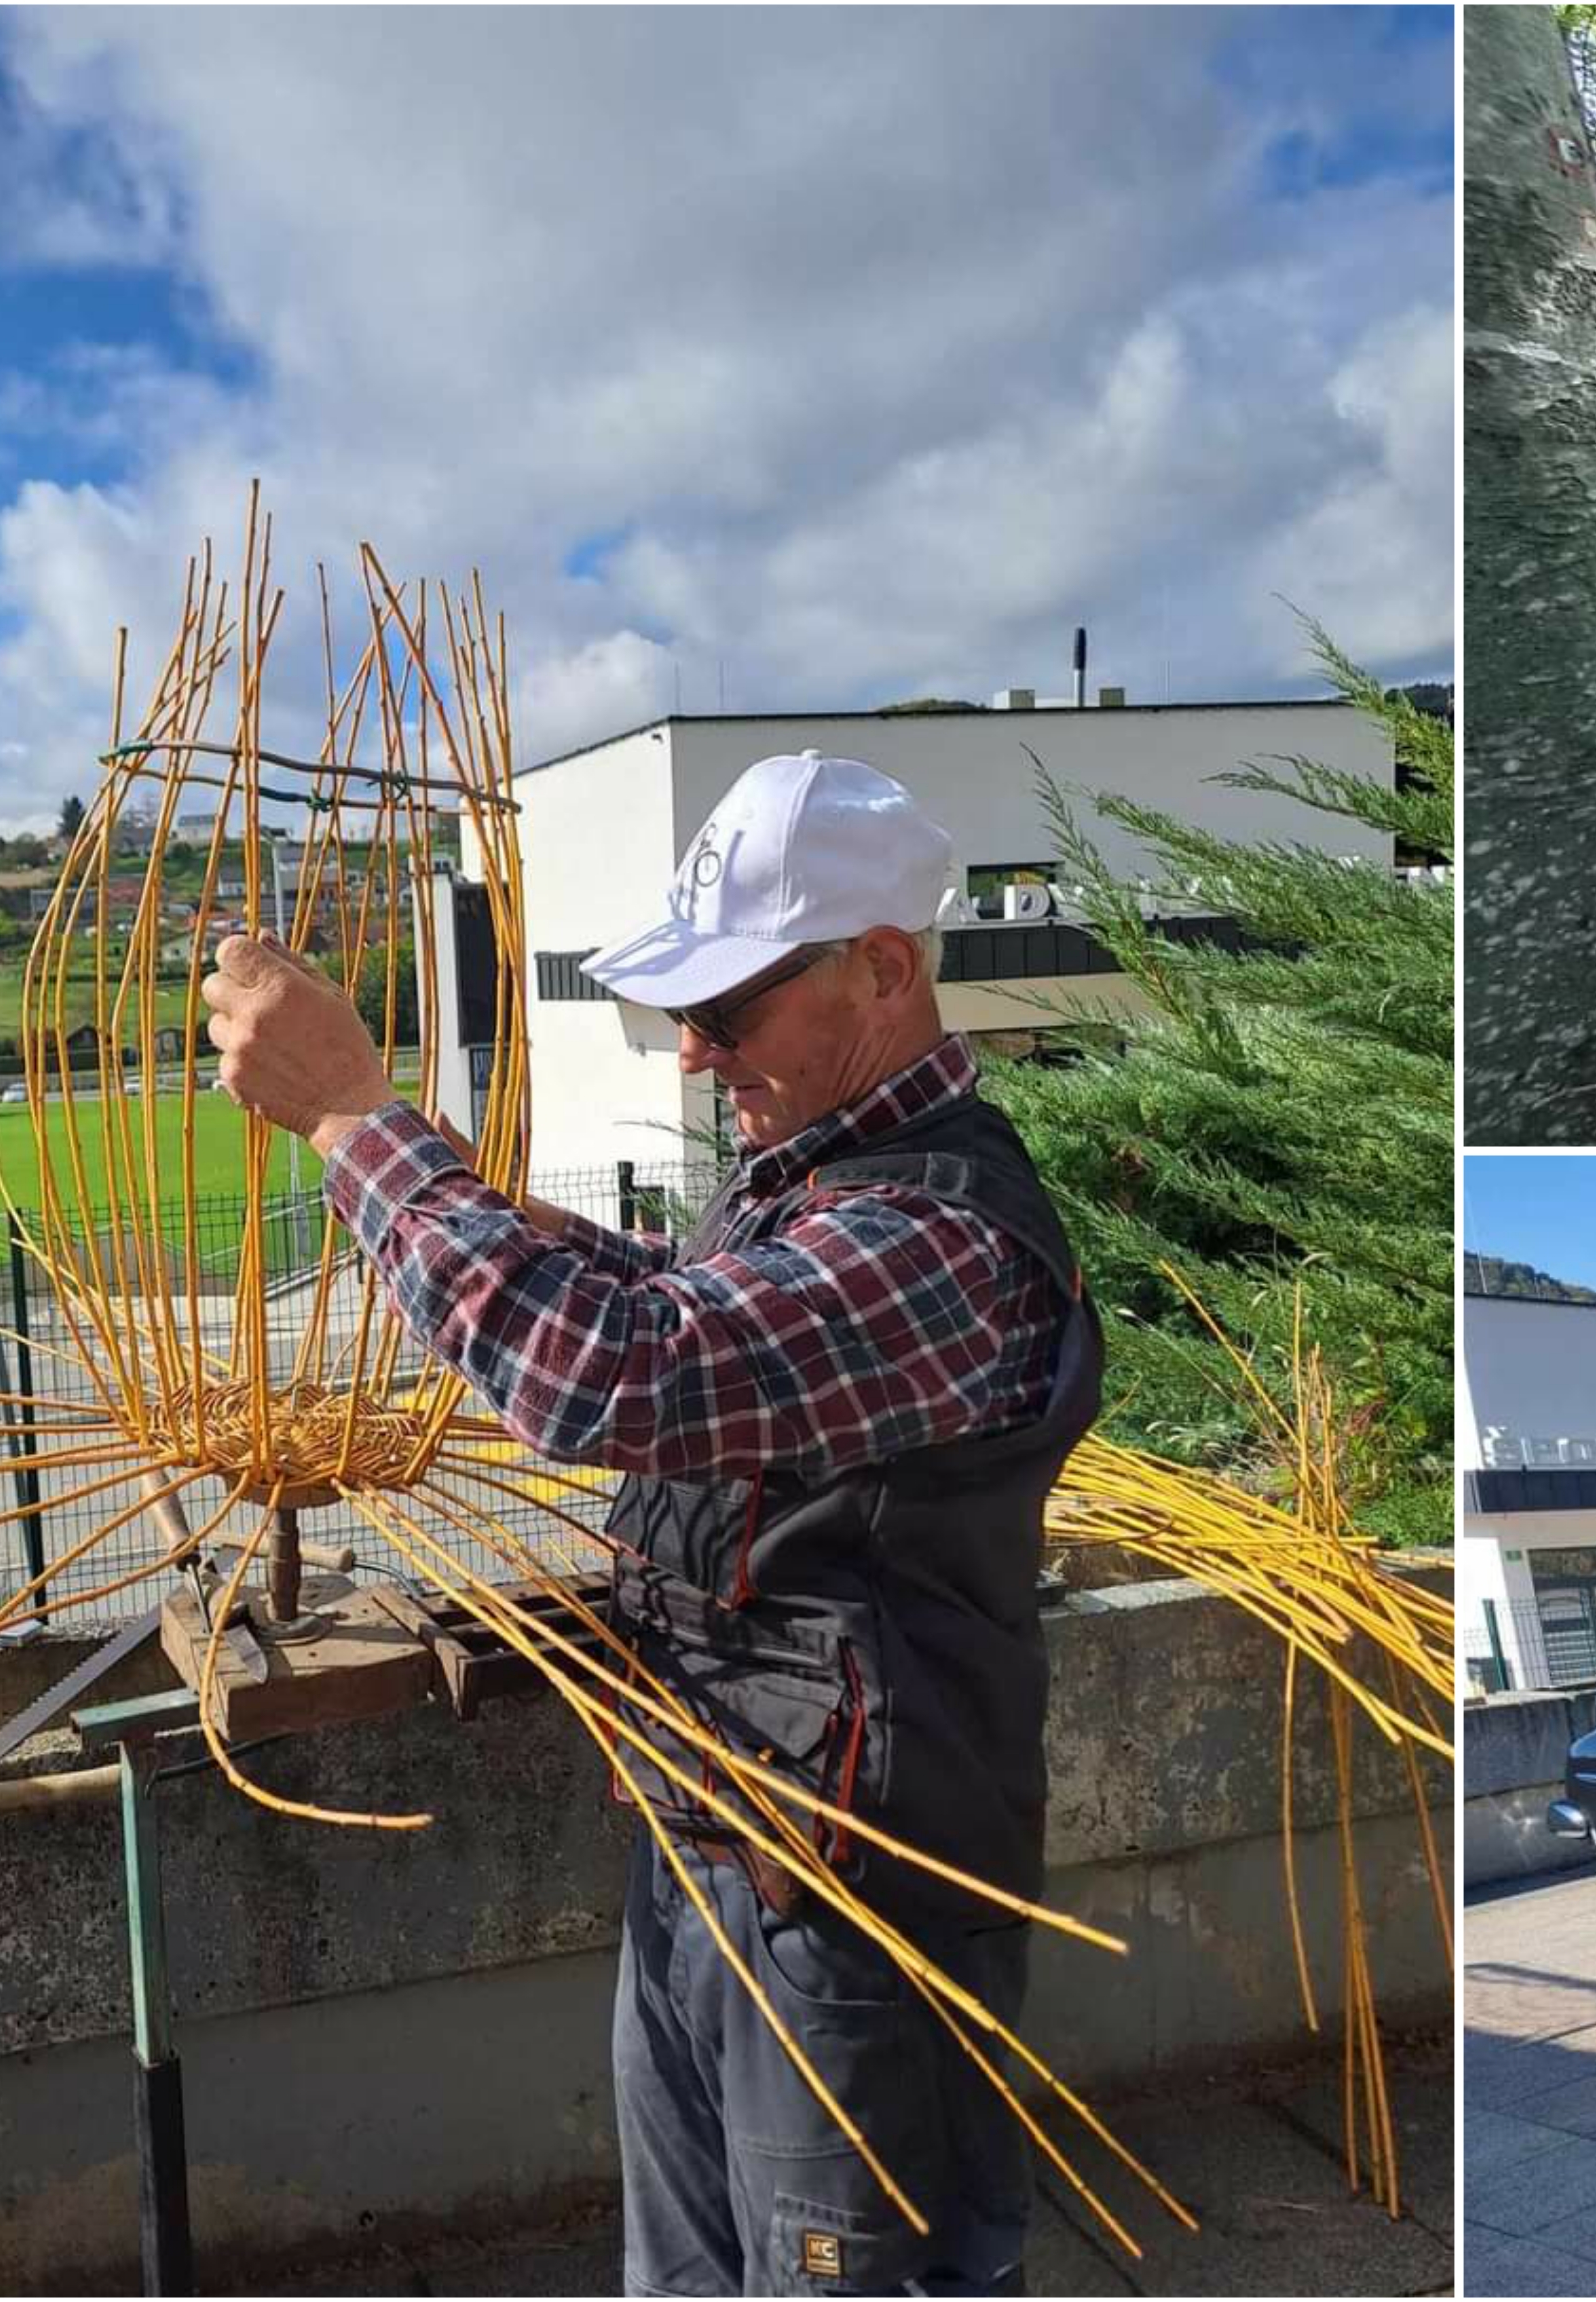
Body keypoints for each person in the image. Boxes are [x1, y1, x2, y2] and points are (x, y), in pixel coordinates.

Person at [200, 750, 1100, 2296]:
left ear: (882, 969)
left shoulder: (939, 1233)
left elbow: (617, 1371)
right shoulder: (810, 1180)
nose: (693, 1052)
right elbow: (681, 1307)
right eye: (681, 1013)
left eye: (729, 1008)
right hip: (716, 1849)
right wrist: (503, 1220)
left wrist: (358, 1120)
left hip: (854, 1909)